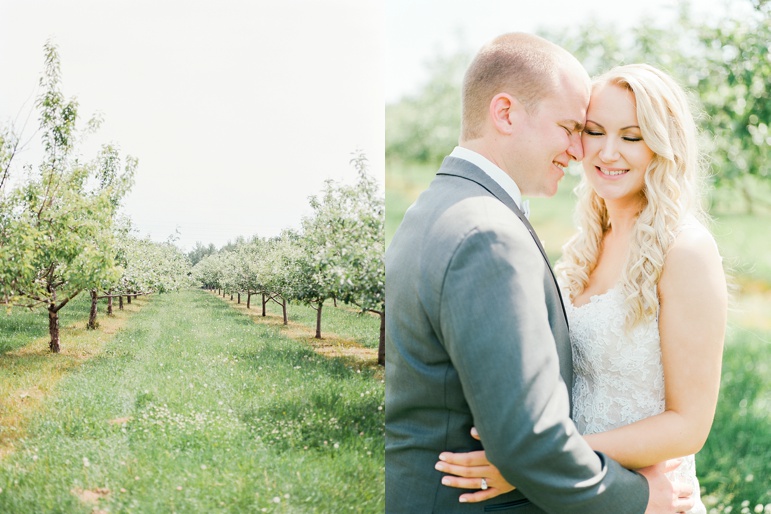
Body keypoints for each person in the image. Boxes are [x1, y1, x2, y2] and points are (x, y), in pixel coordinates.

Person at [385, 33, 695, 513]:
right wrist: (640, 496)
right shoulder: (488, 233)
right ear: (506, 113)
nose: (581, 151)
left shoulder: (432, 208)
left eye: (630, 136)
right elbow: (526, 442)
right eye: (576, 127)